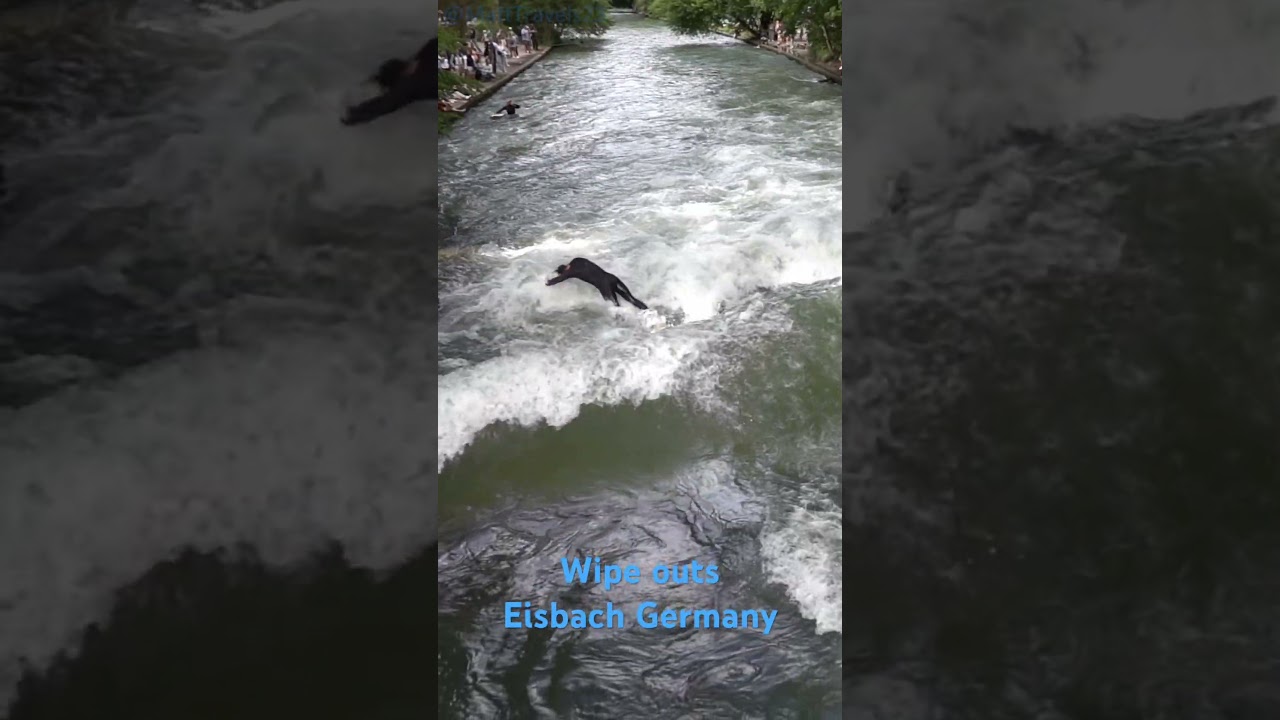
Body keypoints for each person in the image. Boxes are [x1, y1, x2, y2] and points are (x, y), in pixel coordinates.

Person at [342, 38, 436, 126]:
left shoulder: (410, 85)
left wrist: (355, 115)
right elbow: (387, 103)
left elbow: (386, 104)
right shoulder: (421, 59)